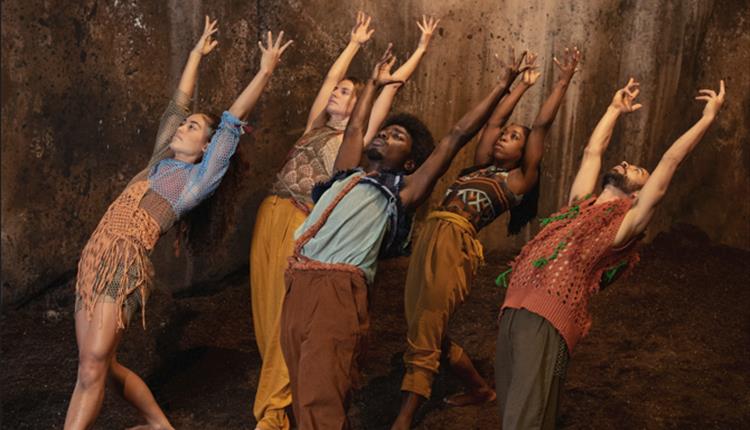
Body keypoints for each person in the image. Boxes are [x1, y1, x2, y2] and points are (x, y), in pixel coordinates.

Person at [280, 44, 531, 429]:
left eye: (396, 136)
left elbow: (457, 135)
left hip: (338, 287)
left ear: (410, 162)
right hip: (298, 281)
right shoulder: (348, 173)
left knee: (321, 395)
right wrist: (374, 86)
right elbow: (356, 128)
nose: (383, 135)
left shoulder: (402, 192)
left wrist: (502, 86)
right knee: (302, 391)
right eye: (385, 131)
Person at [64, 18, 291, 430]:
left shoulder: (195, 181)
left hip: (123, 266)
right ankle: (159, 425)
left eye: (192, 128)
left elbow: (230, 122)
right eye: (186, 124)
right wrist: (194, 56)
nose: (183, 127)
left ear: (207, 147)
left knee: (93, 367)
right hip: (94, 260)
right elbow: (178, 104)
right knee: (99, 365)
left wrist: (266, 70)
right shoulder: (158, 162)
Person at [495, 78, 726, 429]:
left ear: (638, 195)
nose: (626, 164)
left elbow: (669, 163)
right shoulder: (578, 207)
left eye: (637, 170)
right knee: (518, 411)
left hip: (547, 317)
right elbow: (592, 152)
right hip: (514, 307)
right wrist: (613, 110)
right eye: (628, 163)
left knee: (522, 421)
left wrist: (707, 119)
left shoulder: (624, 225)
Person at [249, 13, 439, 430]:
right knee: (268, 315)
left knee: (289, 312)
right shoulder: (315, 126)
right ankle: (283, 399)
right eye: (338, 89)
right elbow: (328, 82)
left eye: (347, 91)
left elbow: (388, 91)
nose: (337, 92)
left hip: (308, 222)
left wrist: (419, 52)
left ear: (360, 107)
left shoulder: (359, 140)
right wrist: (352, 44)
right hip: (271, 215)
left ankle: (275, 412)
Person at [391, 46, 582, 428]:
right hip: (431, 234)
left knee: (426, 325)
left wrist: (562, 81)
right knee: (425, 327)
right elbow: (493, 121)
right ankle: (480, 388)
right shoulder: (482, 164)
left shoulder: (518, 181)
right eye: (505, 135)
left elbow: (541, 127)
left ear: (525, 151)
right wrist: (517, 85)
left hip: (455, 243)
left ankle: (405, 416)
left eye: (512, 138)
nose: (502, 139)